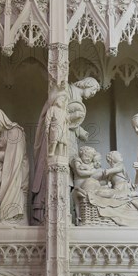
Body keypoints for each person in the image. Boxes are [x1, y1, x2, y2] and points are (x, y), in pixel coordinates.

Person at [31, 77, 101, 224]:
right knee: (59, 169)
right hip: (57, 139)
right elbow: (58, 116)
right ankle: (52, 214)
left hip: (69, 140)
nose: (93, 94)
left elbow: (70, 121)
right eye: (93, 90)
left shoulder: (76, 97)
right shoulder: (67, 91)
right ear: (87, 84)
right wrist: (73, 119)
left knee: (69, 174)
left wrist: (80, 131)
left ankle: (68, 213)